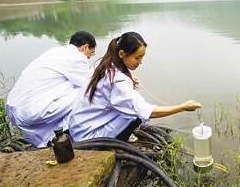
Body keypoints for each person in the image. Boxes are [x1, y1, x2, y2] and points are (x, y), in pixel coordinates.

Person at [66, 31, 201, 142]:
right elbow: (147, 112)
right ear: (122, 54)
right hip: (88, 136)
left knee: (130, 107)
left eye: (142, 57)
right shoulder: (118, 81)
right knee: (136, 116)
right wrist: (183, 107)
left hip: (79, 127)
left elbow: (111, 88)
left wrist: (129, 81)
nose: (140, 62)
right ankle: (113, 144)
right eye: (137, 58)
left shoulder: (105, 63)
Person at [7, 31, 96, 147]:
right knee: (87, 93)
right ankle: (78, 134)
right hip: (33, 111)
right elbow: (89, 85)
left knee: (68, 85)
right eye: (92, 53)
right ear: (85, 47)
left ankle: (51, 140)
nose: (90, 57)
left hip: (15, 109)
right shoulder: (78, 57)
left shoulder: (54, 52)